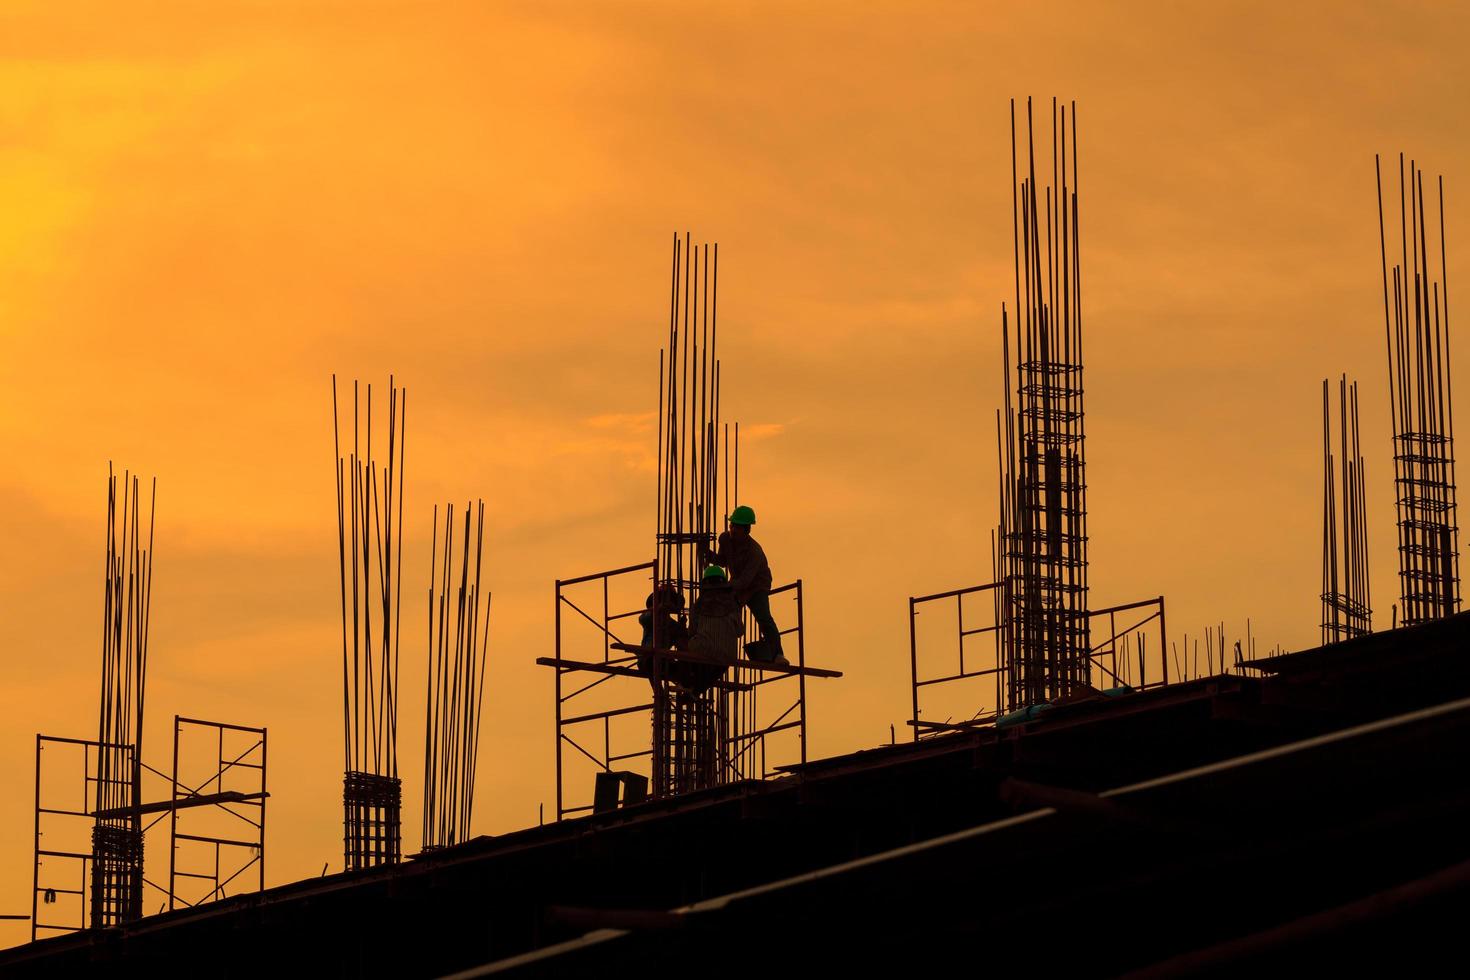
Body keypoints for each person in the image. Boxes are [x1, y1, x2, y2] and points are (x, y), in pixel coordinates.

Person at [704, 505, 787, 666]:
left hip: (757, 586)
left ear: (747, 530)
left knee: (763, 618)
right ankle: (719, 646)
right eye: (732, 525)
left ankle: (778, 654)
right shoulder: (725, 539)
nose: (733, 529)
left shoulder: (755, 552)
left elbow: (745, 582)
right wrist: (708, 554)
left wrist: (726, 588)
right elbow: (722, 560)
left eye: (737, 527)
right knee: (725, 612)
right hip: (737, 582)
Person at [685, 565, 742, 690]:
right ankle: (696, 690)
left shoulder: (699, 603)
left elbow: (692, 631)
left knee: (689, 649)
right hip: (728, 653)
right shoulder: (734, 603)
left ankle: (690, 684)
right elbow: (739, 631)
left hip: (703, 649)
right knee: (720, 664)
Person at [637, 584, 688, 687]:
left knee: (686, 669)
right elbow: (643, 618)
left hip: (664, 661)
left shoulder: (672, 625)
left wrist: (682, 628)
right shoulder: (650, 617)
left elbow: (682, 642)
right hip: (648, 659)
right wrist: (658, 609)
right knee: (652, 662)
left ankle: (686, 691)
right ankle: (659, 695)